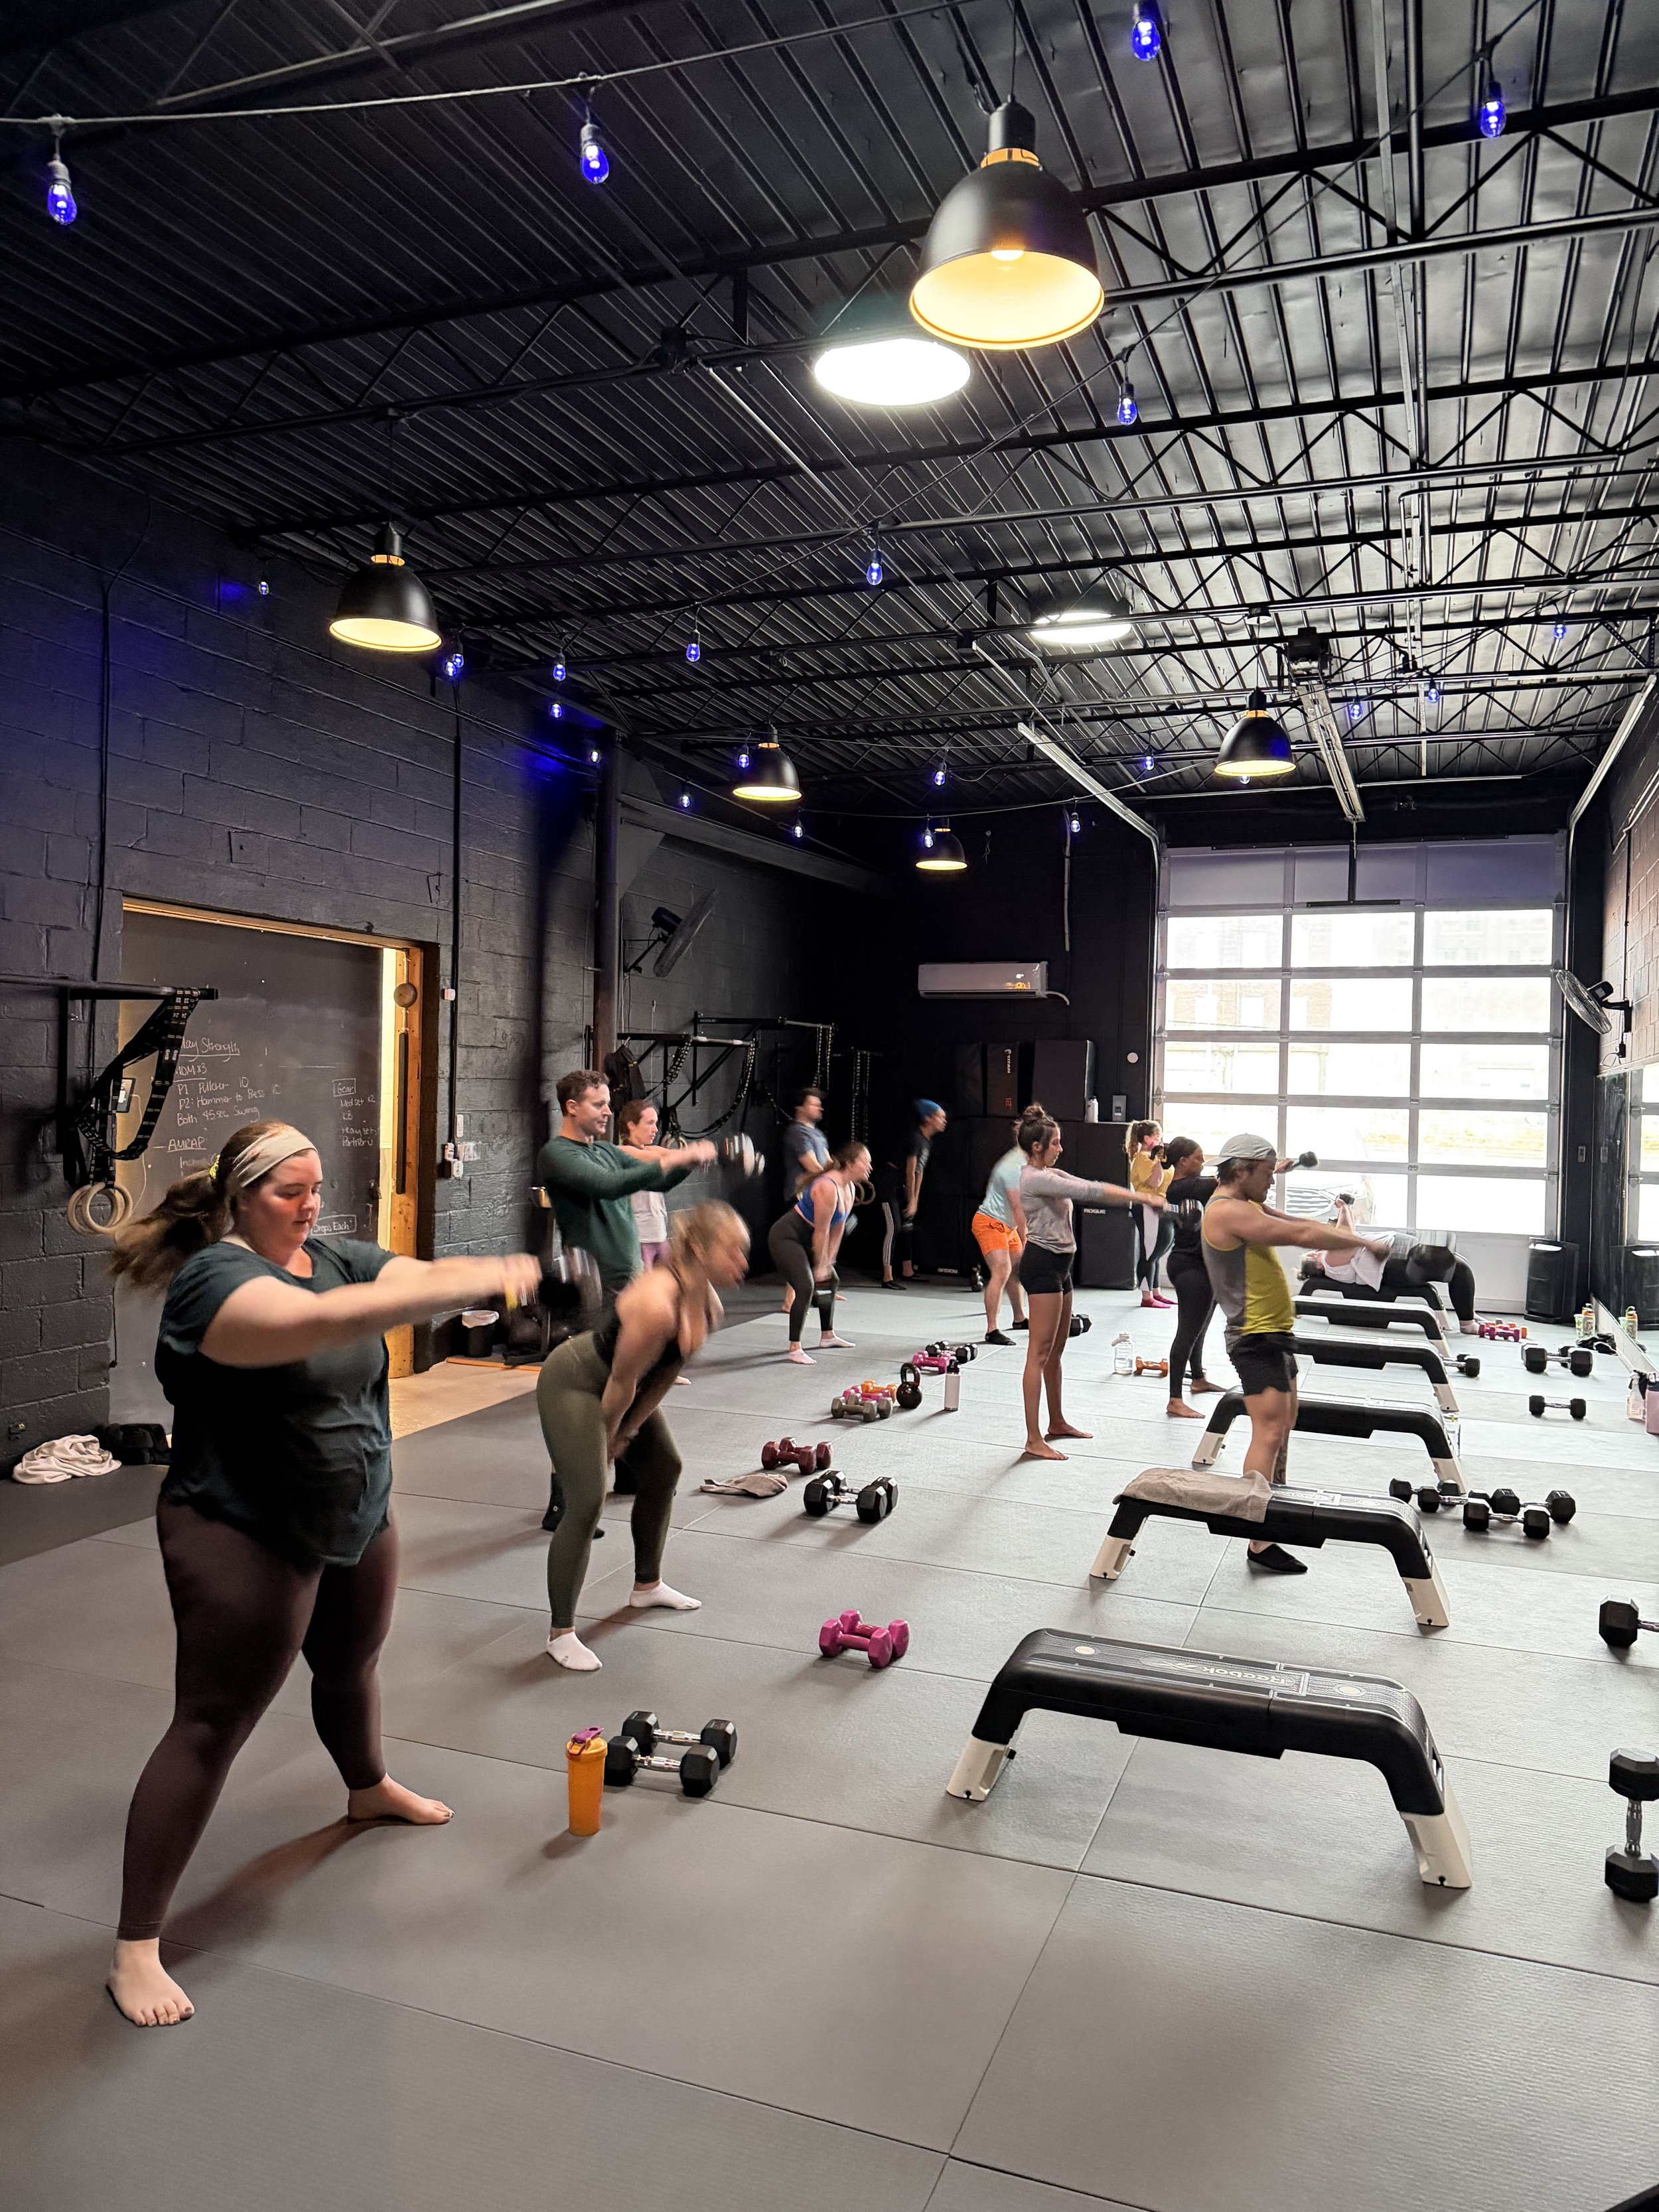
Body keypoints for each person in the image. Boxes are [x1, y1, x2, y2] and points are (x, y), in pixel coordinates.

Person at [102, 1120, 542, 2029]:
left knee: (352, 1664)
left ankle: (366, 1785)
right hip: (241, 1526)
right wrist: (475, 1279)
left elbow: (403, 1280)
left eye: (315, 1189)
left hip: (355, 1506)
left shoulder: (335, 1257)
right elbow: (307, 1326)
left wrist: (487, 1272)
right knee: (212, 1722)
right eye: (288, 1192)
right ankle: (134, 1949)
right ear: (240, 1198)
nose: (310, 1206)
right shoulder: (213, 1282)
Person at [538, 1201, 751, 1671]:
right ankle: (561, 1632)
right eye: (733, 1251)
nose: (743, 1262)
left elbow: (663, 1374)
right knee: (589, 1498)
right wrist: (611, 1441)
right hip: (575, 1383)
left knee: (665, 1468)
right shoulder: (656, 1302)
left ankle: (646, 1585)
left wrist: (631, 1430)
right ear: (697, 1247)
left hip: (622, 1386)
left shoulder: (706, 1304)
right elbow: (620, 1384)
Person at [1201, 1132, 1390, 1573]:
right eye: (1266, 1174)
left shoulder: (1247, 1203)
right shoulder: (1226, 1211)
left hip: (1274, 1333)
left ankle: (1274, 1517)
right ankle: (1259, 1541)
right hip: (1253, 1337)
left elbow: (1295, 1220)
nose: (1271, 1181)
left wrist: (1343, 1221)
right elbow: (1299, 1233)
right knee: (1267, 1433)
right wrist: (1365, 1243)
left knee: (1283, 1428)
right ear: (1242, 1170)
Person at [1015, 1112, 1149, 1461]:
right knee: (1038, 1354)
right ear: (1036, 1147)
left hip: (1062, 1265)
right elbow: (1089, 1190)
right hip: (1042, 1265)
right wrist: (1144, 1199)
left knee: (1056, 1352)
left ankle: (1056, 1422)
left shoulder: (1049, 1173)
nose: (1060, 1148)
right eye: (1055, 1143)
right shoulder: (1033, 1179)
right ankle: (1033, 1438)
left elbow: (1081, 1182)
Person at [537, 1069, 715, 1301]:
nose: (608, 1112)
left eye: (608, 1104)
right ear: (572, 1107)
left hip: (633, 1276)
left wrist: (689, 1164)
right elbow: (607, 1185)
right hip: (598, 1284)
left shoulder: (607, 1151)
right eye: (598, 1105)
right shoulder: (556, 1154)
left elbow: (660, 1182)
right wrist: (674, 1158)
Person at [768, 1142, 865, 1363]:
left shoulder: (849, 1189)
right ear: (850, 1163)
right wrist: (819, 1266)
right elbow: (820, 1233)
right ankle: (794, 1348)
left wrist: (829, 1263)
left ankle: (827, 1336)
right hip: (785, 1237)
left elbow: (837, 1229)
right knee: (805, 1286)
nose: (869, 1166)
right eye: (865, 1161)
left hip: (805, 1239)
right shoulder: (827, 1187)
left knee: (832, 1280)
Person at [1161, 1136, 1223, 1419]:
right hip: (1188, 1267)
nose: (1202, 1162)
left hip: (1201, 1265)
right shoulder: (1180, 1187)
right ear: (1183, 1162)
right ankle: (1175, 1399)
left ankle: (1197, 1378)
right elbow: (1221, 1183)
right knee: (1187, 1332)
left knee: (1199, 1327)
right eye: (1198, 1158)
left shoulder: (1194, 1187)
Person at [972, 1106, 1037, 1345]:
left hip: (1006, 1226)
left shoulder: (1029, 1162)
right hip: (989, 1223)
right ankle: (991, 1330)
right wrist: (1028, 1240)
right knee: (1002, 1270)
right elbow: (1019, 1209)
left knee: (1016, 1272)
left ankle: (1020, 1318)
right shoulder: (1013, 1166)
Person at [879, 1099, 946, 1285]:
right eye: (940, 1117)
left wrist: (915, 1199)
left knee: (907, 1229)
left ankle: (908, 1270)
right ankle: (887, 1276)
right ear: (927, 1119)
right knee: (894, 1229)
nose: (944, 1121)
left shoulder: (927, 1142)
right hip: (890, 1184)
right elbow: (910, 1170)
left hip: (902, 1187)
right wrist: (912, 1199)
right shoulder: (915, 1138)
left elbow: (920, 1172)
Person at [778, 1088, 831, 1309]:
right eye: (813, 1103)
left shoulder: (818, 1134)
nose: (818, 1107)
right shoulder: (797, 1133)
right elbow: (813, 1166)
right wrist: (833, 1181)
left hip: (817, 1196)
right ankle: (789, 1299)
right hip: (799, 1195)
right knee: (798, 1248)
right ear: (800, 1108)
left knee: (820, 1244)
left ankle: (825, 1289)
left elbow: (829, 1164)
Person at [616, 1097, 672, 1269]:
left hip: (659, 1235)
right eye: (650, 1123)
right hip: (638, 1239)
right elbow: (660, 1157)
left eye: (656, 1123)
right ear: (632, 1125)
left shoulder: (651, 1150)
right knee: (645, 1293)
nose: (655, 1129)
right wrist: (692, 1156)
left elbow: (666, 1155)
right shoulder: (622, 1152)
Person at [1127, 1120, 1173, 1308]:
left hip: (1161, 1206)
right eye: (1158, 1136)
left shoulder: (1155, 1158)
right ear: (1147, 1139)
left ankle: (1156, 1292)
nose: (1161, 1140)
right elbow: (1155, 1182)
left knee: (1158, 1250)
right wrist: (1157, 1160)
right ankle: (1147, 1297)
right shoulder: (1143, 1159)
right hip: (1146, 1207)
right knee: (1149, 1251)